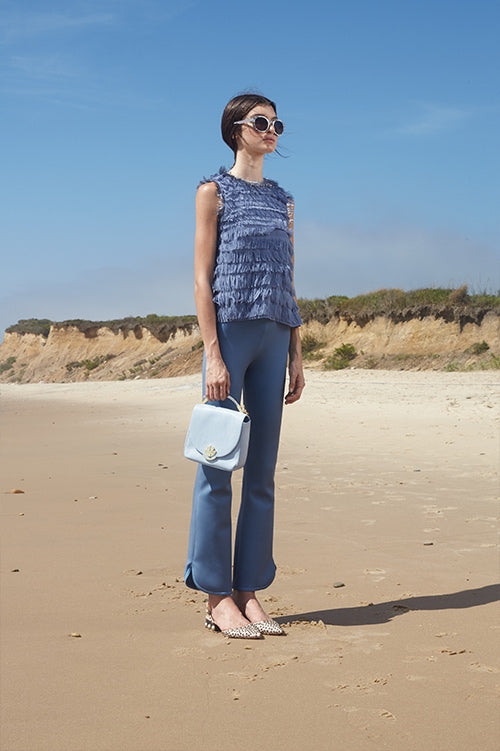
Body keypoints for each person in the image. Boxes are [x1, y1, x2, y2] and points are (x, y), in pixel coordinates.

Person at [184, 93, 305, 639]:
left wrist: (297, 352)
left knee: (262, 472)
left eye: (277, 123)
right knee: (216, 467)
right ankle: (215, 596)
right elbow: (201, 278)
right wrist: (212, 351)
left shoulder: (283, 200)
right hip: (230, 334)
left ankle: (249, 590)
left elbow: (290, 279)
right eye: (261, 122)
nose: (271, 130)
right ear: (236, 129)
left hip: (276, 335)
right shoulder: (214, 191)